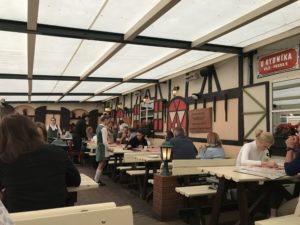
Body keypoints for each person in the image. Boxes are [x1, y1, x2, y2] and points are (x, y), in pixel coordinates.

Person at [0, 114, 81, 213]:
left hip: (19, 219)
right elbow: (75, 180)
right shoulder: (57, 152)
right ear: (32, 130)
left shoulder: (5, 160)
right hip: (56, 217)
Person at [94, 115, 110, 186]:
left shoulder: (98, 126)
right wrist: (109, 148)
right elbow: (105, 141)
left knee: (101, 164)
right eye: (108, 120)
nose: (108, 121)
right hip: (102, 147)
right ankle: (96, 180)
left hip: (99, 146)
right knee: (101, 164)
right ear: (105, 120)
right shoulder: (104, 128)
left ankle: (96, 179)